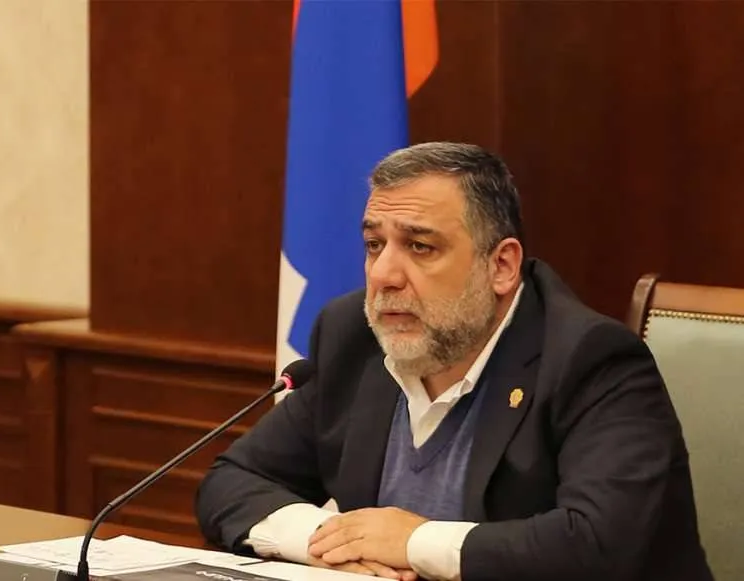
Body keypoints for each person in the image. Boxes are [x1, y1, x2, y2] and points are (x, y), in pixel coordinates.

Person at [196, 142, 713, 581]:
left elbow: (596, 544)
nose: (384, 275)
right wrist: (330, 541)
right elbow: (232, 481)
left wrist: (415, 542)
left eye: (420, 246)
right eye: (374, 245)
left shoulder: (590, 360)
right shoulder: (355, 336)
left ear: (501, 265)